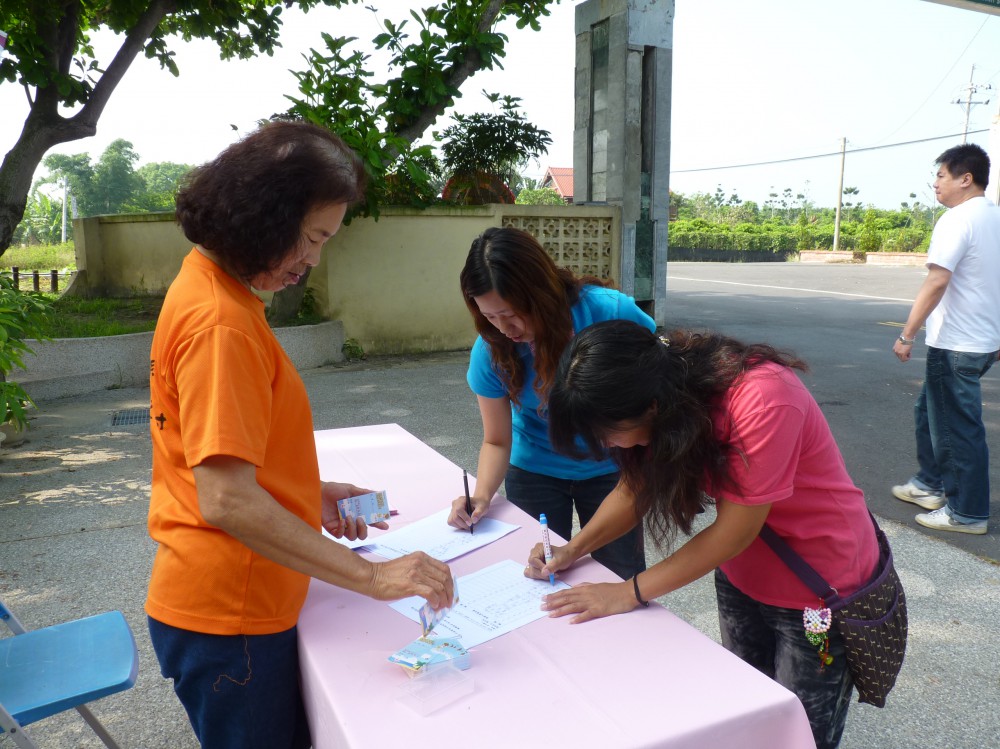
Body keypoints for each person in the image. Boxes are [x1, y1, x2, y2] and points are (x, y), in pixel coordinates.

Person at [145, 121, 454, 749]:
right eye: (313, 238)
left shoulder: (211, 288)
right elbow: (226, 499)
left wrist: (307, 493)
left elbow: (219, 461)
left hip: (234, 602)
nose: (313, 260)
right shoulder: (221, 325)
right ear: (264, 217)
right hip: (232, 614)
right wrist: (373, 578)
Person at [526, 320, 879, 749]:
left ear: (651, 406)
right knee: (745, 717)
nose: (609, 445)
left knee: (798, 734)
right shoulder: (665, 390)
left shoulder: (762, 397)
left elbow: (733, 532)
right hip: (742, 576)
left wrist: (627, 592)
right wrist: (573, 550)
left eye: (609, 433)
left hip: (818, 588)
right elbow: (634, 489)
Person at [446, 226, 655, 580]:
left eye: (512, 313)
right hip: (535, 471)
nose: (505, 328)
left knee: (619, 575)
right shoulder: (491, 349)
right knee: (539, 573)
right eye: (490, 317)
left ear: (540, 292)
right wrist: (481, 496)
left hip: (613, 467)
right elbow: (496, 440)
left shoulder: (609, 311)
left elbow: (655, 381)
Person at [891, 143, 1000, 535]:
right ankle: (929, 483)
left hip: (956, 344)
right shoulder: (994, 217)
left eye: (941, 175)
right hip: (982, 342)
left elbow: (938, 279)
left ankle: (966, 513)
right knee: (929, 411)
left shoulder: (957, 220)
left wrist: (907, 334)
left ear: (965, 179)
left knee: (957, 429)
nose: (935, 184)